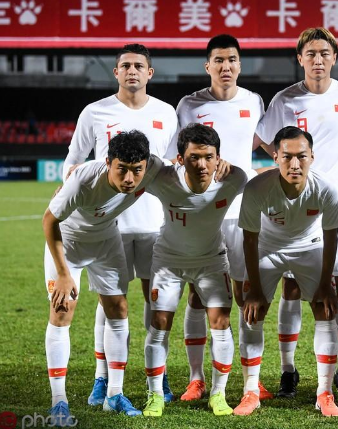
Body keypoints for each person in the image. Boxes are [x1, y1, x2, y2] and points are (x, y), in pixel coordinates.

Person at [63, 44, 179, 405]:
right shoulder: (95, 112)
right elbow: (73, 162)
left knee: (155, 300)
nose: (132, 71)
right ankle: (103, 379)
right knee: (109, 303)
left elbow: (171, 169)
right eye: (125, 65)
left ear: (149, 73)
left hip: (155, 225)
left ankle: (156, 375)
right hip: (108, 227)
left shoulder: (166, 113)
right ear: (116, 72)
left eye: (139, 66)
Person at [254, 27, 338, 400]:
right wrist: (284, 166)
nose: (318, 60)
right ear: (300, 58)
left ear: (334, 58)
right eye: (311, 53)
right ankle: (288, 370)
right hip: (295, 199)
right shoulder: (284, 99)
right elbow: (264, 138)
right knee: (292, 284)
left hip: (336, 198)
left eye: (324, 53)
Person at [44, 130, 164, 424]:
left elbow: (184, 173)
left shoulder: (152, 167)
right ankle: (59, 401)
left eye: (137, 170)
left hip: (107, 240)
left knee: (118, 309)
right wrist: (63, 273)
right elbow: (49, 220)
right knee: (62, 310)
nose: (130, 179)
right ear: (108, 162)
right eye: (122, 169)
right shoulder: (83, 181)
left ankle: (114, 395)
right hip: (69, 243)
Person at [175, 34, 270, 402]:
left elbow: (260, 144)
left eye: (231, 60)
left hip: (243, 213)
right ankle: (196, 378)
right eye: (218, 60)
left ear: (239, 65)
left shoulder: (254, 101)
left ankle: (251, 379)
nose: (225, 66)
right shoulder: (189, 105)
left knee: (246, 294)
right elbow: (176, 156)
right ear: (207, 66)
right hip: (203, 214)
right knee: (198, 296)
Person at [234, 126, 338, 417]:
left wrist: (325, 283)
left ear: (312, 157)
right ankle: (251, 391)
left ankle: (324, 393)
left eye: (301, 156)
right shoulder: (257, 188)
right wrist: (254, 288)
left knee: (325, 309)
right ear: (275, 157)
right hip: (267, 248)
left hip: (309, 246)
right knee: (252, 311)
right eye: (287, 157)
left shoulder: (327, 189)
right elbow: (249, 239)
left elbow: (331, 237)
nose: (295, 164)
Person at [141, 123, 245, 417]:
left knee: (221, 324)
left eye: (209, 157)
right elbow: (126, 176)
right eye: (194, 157)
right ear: (180, 158)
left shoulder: (233, 178)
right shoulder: (163, 179)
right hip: (169, 262)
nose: (202, 164)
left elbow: (265, 184)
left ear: (218, 157)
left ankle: (218, 394)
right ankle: (155, 395)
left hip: (211, 261)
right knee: (159, 325)